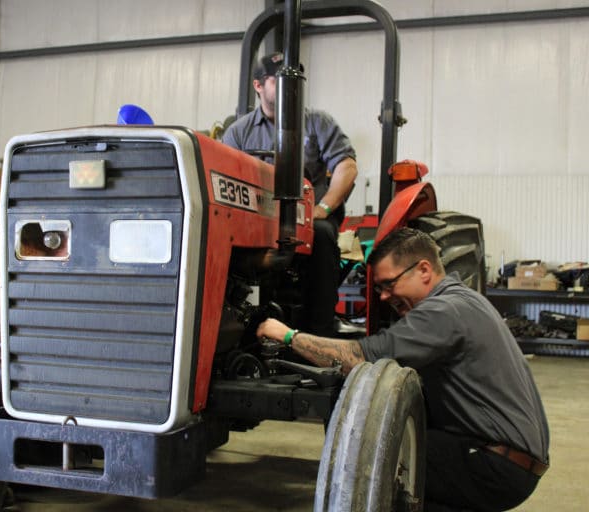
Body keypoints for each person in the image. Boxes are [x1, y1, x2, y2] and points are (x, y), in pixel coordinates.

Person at [256, 227, 549, 512]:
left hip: (496, 465)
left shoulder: (443, 311)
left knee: (370, 456)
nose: (384, 296)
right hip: (509, 459)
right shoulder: (465, 300)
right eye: (379, 288)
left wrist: (288, 335)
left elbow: (359, 359)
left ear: (424, 270)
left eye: (389, 284)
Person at [222, 52, 359, 337]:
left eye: (295, 80)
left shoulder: (318, 122)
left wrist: (323, 207)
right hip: (257, 219)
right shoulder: (238, 133)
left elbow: (346, 166)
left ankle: (320, 332)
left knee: (321, 234)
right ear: (258, 85)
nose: (290, 87)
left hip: (307, 218)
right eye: (279, 80)